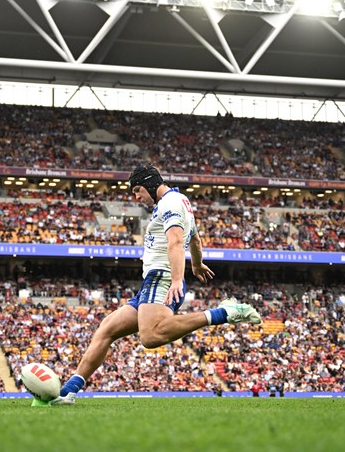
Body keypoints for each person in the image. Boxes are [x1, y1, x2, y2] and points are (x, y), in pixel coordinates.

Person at [50, 164, 262, 405]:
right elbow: (195, 238)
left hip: (161, 277)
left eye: (138, 190)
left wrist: (175, 279)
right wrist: (197, 263)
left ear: (151, 184)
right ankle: (68, 392)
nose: (136, 197)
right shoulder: (179, 202)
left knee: (150, 337)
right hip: (152, 282)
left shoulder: (170, 203)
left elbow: (175, 241)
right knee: (107, 328)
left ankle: (224, 313)